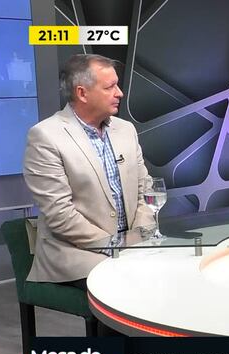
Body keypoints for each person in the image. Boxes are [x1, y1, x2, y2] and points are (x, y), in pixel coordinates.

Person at [23, 54, 153, 290]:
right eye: (110, 87)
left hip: (131, 245)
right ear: (82, 93)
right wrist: (116, 245)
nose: (120, 93)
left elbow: (146, 191)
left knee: (176, 272)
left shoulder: (126, 130)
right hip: (77, 252)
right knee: (131, 285)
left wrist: (139, 237)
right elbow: (60, 214)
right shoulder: (46, 136)